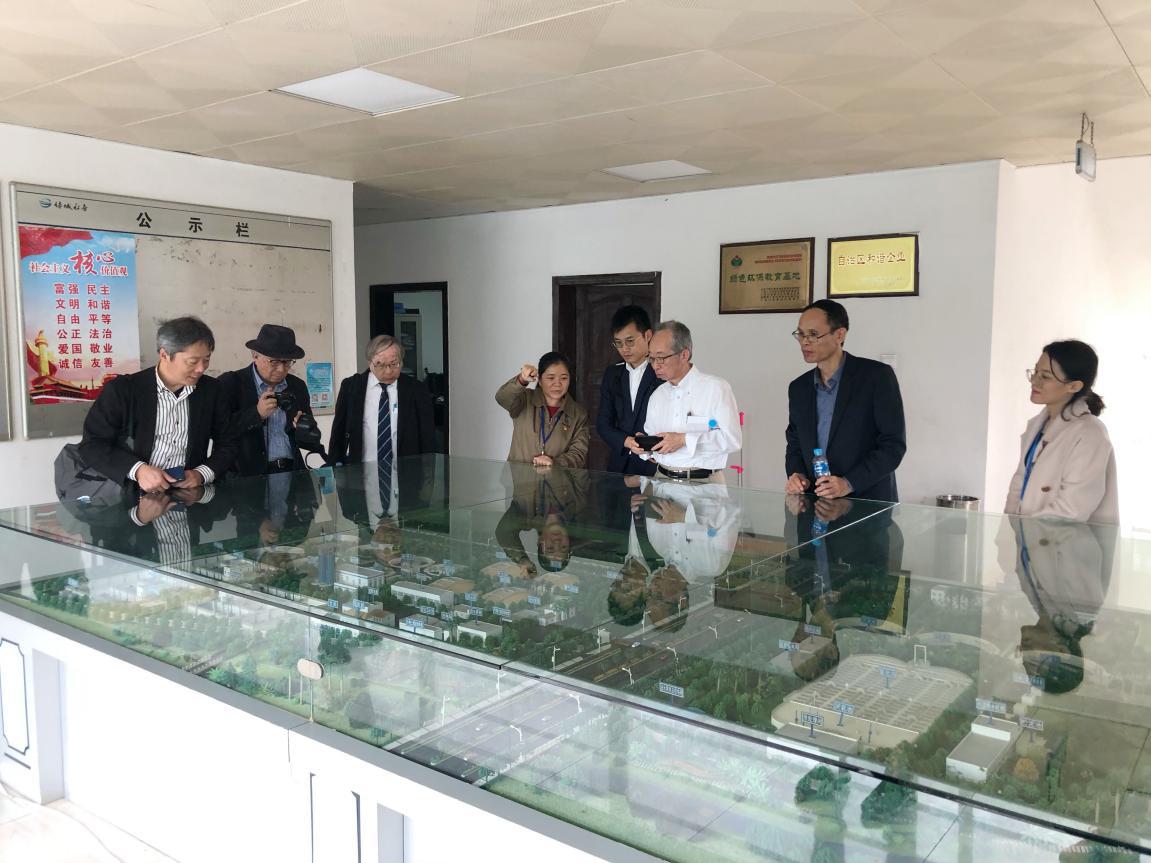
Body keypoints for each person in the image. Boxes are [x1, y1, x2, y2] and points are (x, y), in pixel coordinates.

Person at [78, 316, 236, 493]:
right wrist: (138, 470)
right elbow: (92, 444)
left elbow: (228, 442)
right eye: (192, 362)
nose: (201, 368)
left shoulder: (212, 390)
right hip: (133, 493)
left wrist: (201, 474)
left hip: (190, 493)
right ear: (164, 354)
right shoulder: (123, 390)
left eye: (206, 359)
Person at [784, 300, 906, 502]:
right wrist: (798, 475)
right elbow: (795, 443)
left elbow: (892, 446)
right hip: (816, 502)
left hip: (867, 502)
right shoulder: (799, 388)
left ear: (840, 334)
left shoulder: (876, 377)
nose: (805, 342)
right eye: (801, 334)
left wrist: (848, 483)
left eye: (813, 334)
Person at [1004, 340, 1118, 524]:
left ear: (1074, 386)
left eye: (1045, 376)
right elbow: (1018, 487)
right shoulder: (1037, 426)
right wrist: (1010, 531)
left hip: (1063, 540)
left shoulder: (1091, 433)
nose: (1034, 381)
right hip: (1027, 537)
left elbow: (1072, 510)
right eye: (1035, 372)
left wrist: (1026, 529)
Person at [628, 320, 741, 481]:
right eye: (652, 358)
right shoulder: (657, 395)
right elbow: (655, 444)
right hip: (662, 479)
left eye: (661, 358)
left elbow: (732, 440)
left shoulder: (716, 389)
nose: (655, 366)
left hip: (703, 483)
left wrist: (683, 440)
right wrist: (644, 446)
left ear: (684, 355)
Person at [217, 324, 317, 476]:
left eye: (287, 362)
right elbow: (219, 432)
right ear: (255, 356)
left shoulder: (297, 386)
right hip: (246, 477)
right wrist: (256, 414)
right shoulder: (231, 383)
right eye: (274, 362)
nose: (281, 369)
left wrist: (304, 428)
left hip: (292, 471)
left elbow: (311, 438)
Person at [328, 334, 436, 466]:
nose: (388, 371)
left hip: (406, 471)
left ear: (401, 362)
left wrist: (427, 473)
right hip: (361, 470)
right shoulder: (351, 387)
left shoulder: (416, 389)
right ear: (370, 363)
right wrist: (333, 467)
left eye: (394, 364)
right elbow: (338, 433)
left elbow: (427, 436)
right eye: (381, 365)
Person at [596, 305, 663, 475]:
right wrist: (626, 441)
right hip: (619, 463)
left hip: (654, 464)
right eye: (618, 343)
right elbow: (603, 423)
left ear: (648, 335)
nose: (624, 349)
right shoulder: (613, 374)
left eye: (630, 341)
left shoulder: (661, 372)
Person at [496, 351, 589, 468]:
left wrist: (554, 463)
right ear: (539, 380)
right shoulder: (525, 399)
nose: (557, 383)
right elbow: (502, 397)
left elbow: (578, 455)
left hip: (557, 478)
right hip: (520, 477)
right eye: (551, 378)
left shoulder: (578, 414)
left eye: (564, 378)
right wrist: (521, 380)